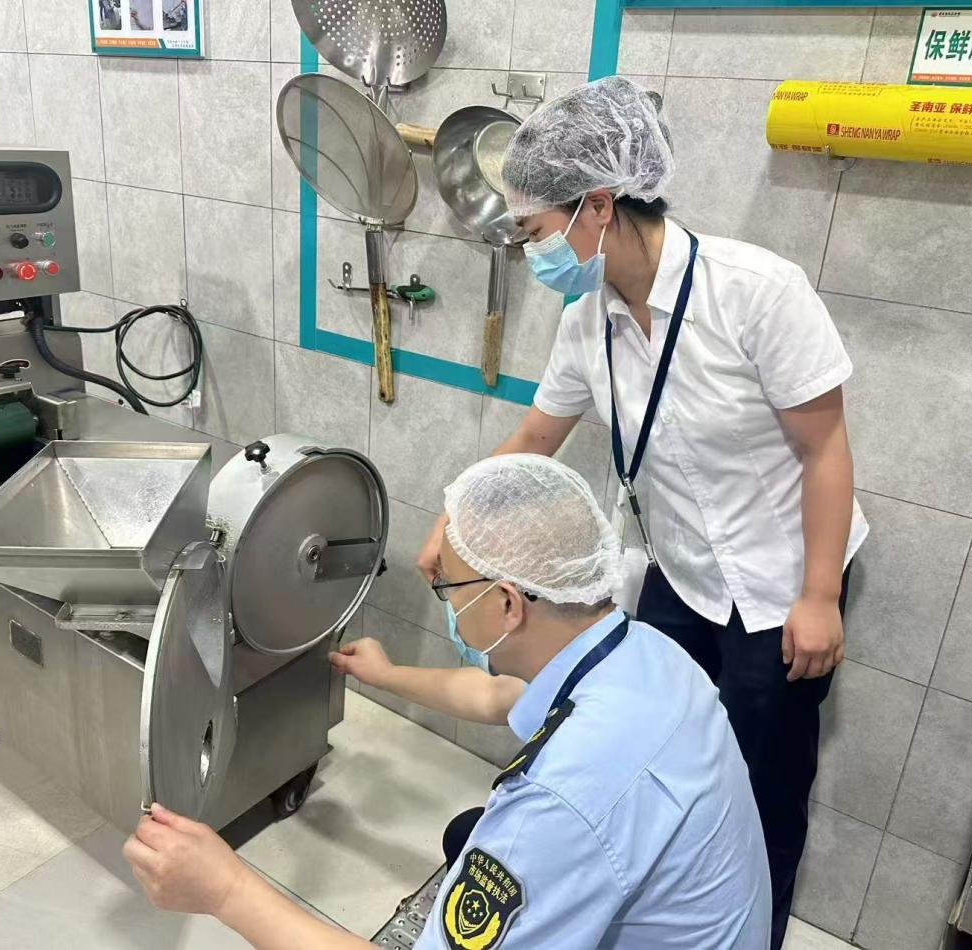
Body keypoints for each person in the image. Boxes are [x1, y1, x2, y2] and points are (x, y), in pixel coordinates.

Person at [415, 75, 868, 948]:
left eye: (535, 231)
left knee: (763, 787)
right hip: (681, 569)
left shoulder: (755, 291)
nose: (532, 253)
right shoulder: (587, 321)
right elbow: (536, 436)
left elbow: (825, 449)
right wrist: (455, 517)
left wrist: (819, 595)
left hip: (780, 579)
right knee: (632, 731)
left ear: (597, 207)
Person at [124, 454, 771, 949]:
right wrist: (387, 675)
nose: (450, 606)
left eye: (452, 589)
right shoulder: (644, 655)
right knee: (469, 837)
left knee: (485, 854)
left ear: (508, 603)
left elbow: (558, 809)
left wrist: (225, 888)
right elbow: (497, 696)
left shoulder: (557, 805)